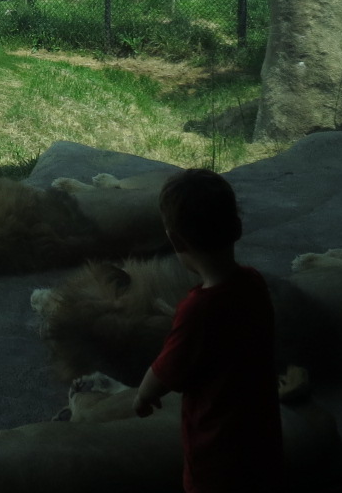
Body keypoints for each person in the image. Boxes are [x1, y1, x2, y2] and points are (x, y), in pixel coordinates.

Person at [133, 168, 283, 492]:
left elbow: (164, 372)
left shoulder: (199, 309)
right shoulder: (254, 283)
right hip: (262, 444)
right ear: (237, 227)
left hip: (217, 460)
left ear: (175, 240)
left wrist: (143, 397)